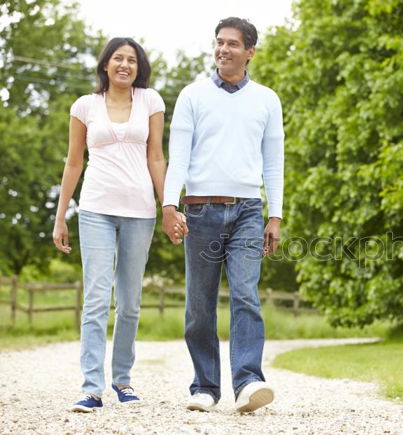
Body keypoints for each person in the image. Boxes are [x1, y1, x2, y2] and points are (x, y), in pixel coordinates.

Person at [163, 17, 284, 413]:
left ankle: (249, 382)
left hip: (249, 210)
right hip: (199, 209)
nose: (223, 49)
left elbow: (273, 163)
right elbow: (177, 157)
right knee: (199, 302)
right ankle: (205, 387)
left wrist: (276, 215)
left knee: (246, 295)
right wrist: (169, 205)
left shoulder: (267, 99)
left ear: (249, 52)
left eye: (232, 44)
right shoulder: (192, 96)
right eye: (219, 42)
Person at [52, 38, 169, 412]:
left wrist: (168, 206)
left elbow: (156, 157)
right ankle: (91, 387)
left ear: (139, 67)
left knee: (130, 303)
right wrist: (60, 217)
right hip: (96, 209)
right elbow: (74, 163)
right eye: (118, 58)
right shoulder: (84, 106)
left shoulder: (151, 100)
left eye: (132, 60)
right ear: (105, 64)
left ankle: (123, 379)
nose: (125, 64)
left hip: (140, 211)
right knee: (96, 300)